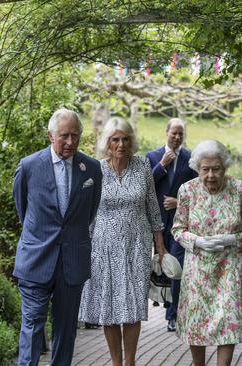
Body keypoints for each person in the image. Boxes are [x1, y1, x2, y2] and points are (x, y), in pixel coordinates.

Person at [12, 108, 102, 366]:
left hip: (72, 262)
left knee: (66, 329)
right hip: (36, 259)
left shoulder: (92, 170)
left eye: (75, 136)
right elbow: (24, 210)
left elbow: (89, 212)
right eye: (64, 136)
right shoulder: (29, 166)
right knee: (32, 325)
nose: (71, 142)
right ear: (50, 135)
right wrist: (40, 236)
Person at [79, 117, 167, 366]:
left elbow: (152, 208)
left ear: (131, 141)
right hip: (103, 248)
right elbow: (87, 212)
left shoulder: (142, 166)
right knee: (109, 307)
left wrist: (160, 248)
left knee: (132, 306)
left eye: (125, 139)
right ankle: (116, 363)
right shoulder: (96, 170)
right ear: (107, 143)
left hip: (136, 247)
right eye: (115, 139)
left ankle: (130, 362)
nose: (120, 144)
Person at [172, 140, 242, 366]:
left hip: (229, 268)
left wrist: (232, 239)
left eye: (216, 169)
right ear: (197, 168)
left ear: (225, 167)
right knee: (196, 323)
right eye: (205, 169)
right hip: (197, 271)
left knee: (228, 322)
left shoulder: (240, 190)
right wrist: (198, 241)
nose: (211, 175)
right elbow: (178, 229)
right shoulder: (187, 190)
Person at [145, 118, 198, 332]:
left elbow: (197, 190)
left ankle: (173, 315)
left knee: (177, 268)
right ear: (166, 131)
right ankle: (162, 302)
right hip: (156, 222)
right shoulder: (152, 157)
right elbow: (145, 185)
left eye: (180, 134)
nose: (176, 137)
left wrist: (179, 202)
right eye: (173, 133)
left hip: (180, 223)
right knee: (159, 266)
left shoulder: (191, 158)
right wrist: (162, 165)